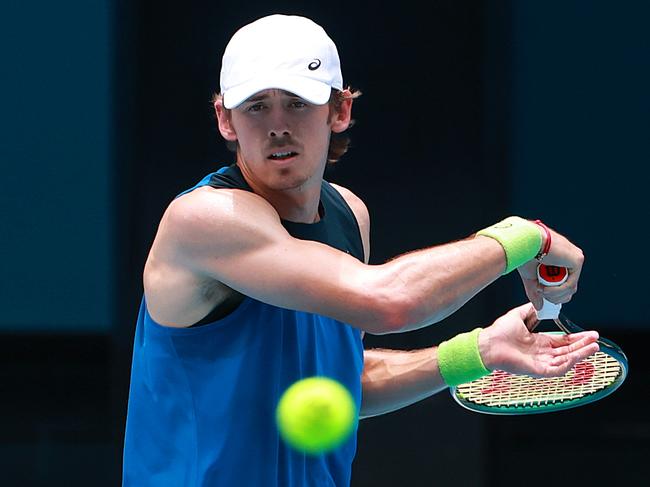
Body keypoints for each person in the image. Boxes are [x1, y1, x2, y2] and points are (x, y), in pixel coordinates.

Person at [122, 14, 599, 486]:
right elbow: (389, 302)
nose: (277, 126)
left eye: (297, 102)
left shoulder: (349, 214)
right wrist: (522, 236)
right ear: (225, 119)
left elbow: (341, 379)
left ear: (339, 110)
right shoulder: (205, 220)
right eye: (256, 107)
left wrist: (477, 350)